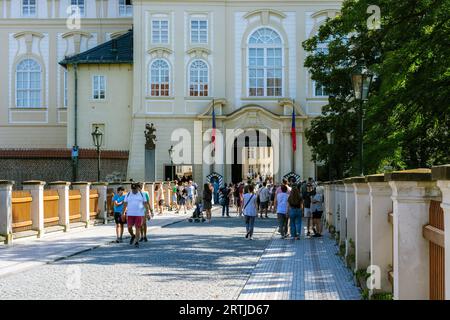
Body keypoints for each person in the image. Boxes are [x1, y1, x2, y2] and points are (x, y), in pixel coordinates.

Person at [122, 183, 150, 248]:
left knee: (138, 227)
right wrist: (123, 213)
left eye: (135, 189)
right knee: (129, 228)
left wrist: (147, 213)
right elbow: (125, 204)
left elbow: (145, 204)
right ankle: (132, 235)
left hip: (139, 214)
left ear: (138, 188)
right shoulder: (128, 194)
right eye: (133, 189)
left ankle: (136, 241)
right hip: (130, 214)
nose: (134, 190)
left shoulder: (142, 195)